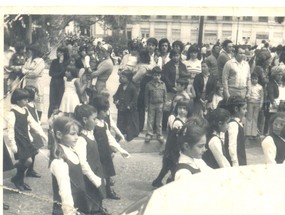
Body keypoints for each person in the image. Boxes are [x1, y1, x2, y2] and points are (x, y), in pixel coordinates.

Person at [6, 88, 47, 191]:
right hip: (18, 140)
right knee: (28, 161)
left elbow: (33, 123)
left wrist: (42, 134)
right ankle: (17, 178)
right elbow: (10, 131)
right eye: (24, 100)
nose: (27, 101)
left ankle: (19, 180)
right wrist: (13, 145)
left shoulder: (25, 110)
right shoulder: (12, 113)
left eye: (27, 99)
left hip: (26, 139)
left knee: (29, 159)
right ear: (17, 100)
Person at [49, 116, 90, 215]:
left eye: (77, 134)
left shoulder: (72, 151)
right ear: (59, 134)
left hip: (79, 203)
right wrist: (69, 211)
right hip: (68, 208)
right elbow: (64, 190)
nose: (77, 137)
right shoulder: (59, 161)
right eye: (72, 134)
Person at [92, 96, 130, 200]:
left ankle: (108, 191)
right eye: (104, 111)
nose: (106, 113)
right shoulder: (93, 124)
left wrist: (120, 150)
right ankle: (97, 193)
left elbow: (109, 137)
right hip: (96, 153)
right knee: (97, 173)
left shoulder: (104, 123)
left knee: (107, 173)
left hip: (105, 152)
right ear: (96, 111)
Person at [74, 104, 110, 215]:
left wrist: (100, 177)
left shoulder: (90, 134)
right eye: (94, 119)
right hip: (88, 179)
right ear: (85, 120)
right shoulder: (81, 139)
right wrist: (95, 179)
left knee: (97, 201)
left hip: (97, 174)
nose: (96, 121)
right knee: (88, 204)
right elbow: (83, 163)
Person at [152, 99, 193, 187]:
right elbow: (179, 137)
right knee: (174, 167)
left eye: (185, 109)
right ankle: (169, 183)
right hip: (174, 148)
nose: (182, 110)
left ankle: (158, 181)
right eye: (180, 108)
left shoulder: (186, 120)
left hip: (175, 148)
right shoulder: (177, 122)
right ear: (176, 108)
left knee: (167, 166)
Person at [174, 115, 211, 181]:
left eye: (204, 145)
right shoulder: (183, 173)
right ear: (186, 146)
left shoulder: (197, 160)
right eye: (200, 146)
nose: (204, 149)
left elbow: (213, 174)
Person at [161, 49, 188, 130]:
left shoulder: (183, 66)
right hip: (170, 89)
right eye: (174, 56)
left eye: (177, 55)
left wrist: (181, 87)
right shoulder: (167, 65)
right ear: (171, 56)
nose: (176, 57)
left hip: (180, 89)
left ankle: (178, 126)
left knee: (179, 107)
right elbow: (165, 77)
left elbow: (184, 77)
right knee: (168, 108)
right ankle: (165, 126)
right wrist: (172, 87)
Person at [113, 70, 140, 142]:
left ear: (128, 78)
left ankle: (129, 135)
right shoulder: (120, 86)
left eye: (123, 77)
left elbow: (134, 99)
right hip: (121, 107)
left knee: (128, 121)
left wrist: (130, 106)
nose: (121, 78)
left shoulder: (132, 88)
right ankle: (119, 135)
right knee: (120, 121)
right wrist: (115, 100)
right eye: (121, 77)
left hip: (128, 109)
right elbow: (116, 95)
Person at [24, 86, 44, 178]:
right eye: (36, 93)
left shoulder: (33, 105)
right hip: (30, 131)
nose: (37, 95)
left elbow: (36, 115)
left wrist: (39, 124)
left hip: (35, 131)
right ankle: (24, 170)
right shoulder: (26, 106)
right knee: (30, 152)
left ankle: (30, 170)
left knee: (34, 152)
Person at [22, 44, 45, 120]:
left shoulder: (40, 61)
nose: (28, 52)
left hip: (37, 83)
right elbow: (23, 69)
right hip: (28, 83)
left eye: (30, 51)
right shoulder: (28, 59)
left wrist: (27, 72)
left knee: (38, 103)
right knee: (28, 101)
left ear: (34, 51)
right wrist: (28, 71)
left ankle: (38, 120)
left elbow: (35, 73)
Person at [144, 66, 167, 144]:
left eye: (158, 75)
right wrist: (146, 106)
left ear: (160, 76)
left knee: (159, 120)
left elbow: (165, 95)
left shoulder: (163, 84)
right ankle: (149, 134)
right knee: (150, 120)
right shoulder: (148, 85)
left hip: (160, 104)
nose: (157, 77)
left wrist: (164, 104)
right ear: (152, 75)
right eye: (155, 75)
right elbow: (146, 96)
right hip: (151, 104)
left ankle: (159, 134)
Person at [224, 96, 247, 166]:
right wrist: (235, 162)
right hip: (236, 160)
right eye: (244, 109)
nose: (246, 111)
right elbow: (232, 146)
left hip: (240, 156)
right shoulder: (233, 124)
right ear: (236, 109)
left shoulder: (238, 122)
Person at [48, 46, 70, 118]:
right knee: (52, 101)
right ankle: (50, 119)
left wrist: (61, 63)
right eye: (58, 51)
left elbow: (63, 73)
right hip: (53, 82)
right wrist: (59, 74)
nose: (58, 53)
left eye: (61, 52)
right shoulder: (54, 61)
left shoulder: (67, 62)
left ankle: (59, 119)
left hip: (61, 83)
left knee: (60, 101)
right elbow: (50, 73)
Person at [264, 66, 284, 134]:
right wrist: (274, 103)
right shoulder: (271, 83)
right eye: (278, 74)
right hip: (272, 104)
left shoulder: (277, 83)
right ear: (274, 75)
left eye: (281, 74)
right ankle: (267, 133)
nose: (280, 76)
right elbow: (271, 94)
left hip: (278, 103)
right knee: (270, 119)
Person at [245, 72, 264, 139]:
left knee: (255, 118)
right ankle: (248, 133)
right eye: (253, 79)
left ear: (258, 79)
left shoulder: (260, 87)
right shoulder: (249, 86)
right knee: (249, 117)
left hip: (257, 103)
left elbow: (262, 97)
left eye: (255, 79)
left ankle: (254, 133)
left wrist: (261, 104)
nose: (254, 80)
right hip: (250, 102)